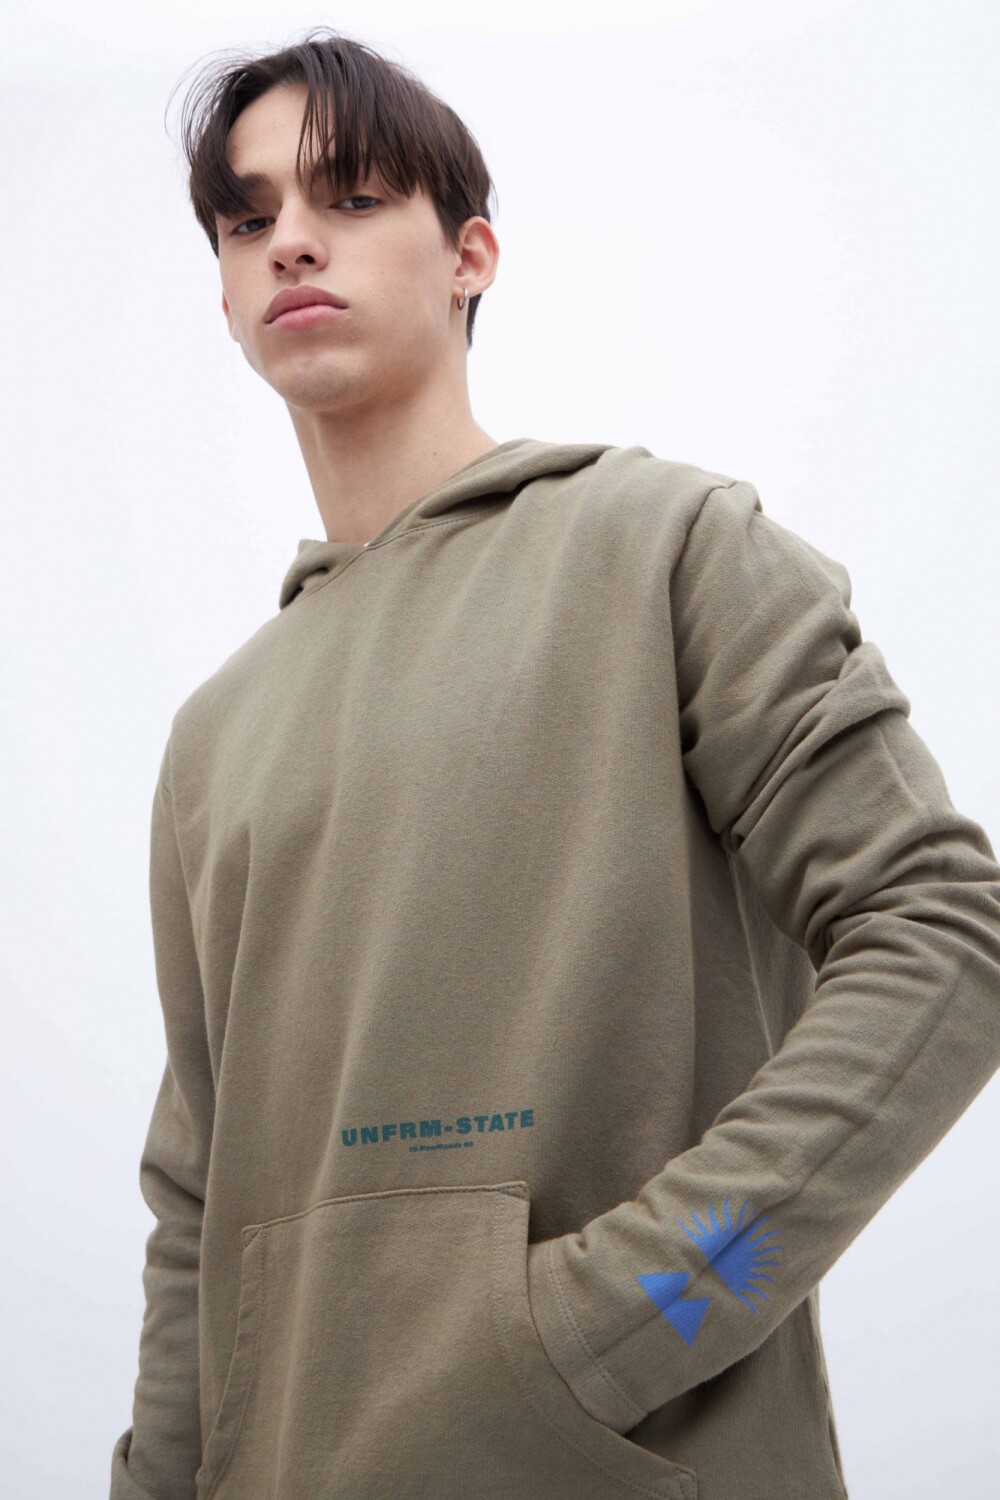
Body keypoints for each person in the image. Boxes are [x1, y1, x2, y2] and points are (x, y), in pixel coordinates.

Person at [109, 25, 1000, 1500]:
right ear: (224, 293)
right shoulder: (217, 731)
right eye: (249, 220)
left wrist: (612, 1328)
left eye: (351, 197)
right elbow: (199, 1195)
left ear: (471, 255)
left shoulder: (668, 547)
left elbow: (946, 934)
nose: (293, 243)